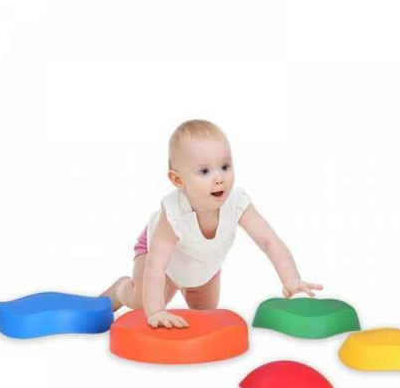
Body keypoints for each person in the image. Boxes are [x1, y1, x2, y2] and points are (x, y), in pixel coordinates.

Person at [102, 119, 323, 329]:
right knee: (141, 301)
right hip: (159, 261)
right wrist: (157, 311)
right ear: (178, 180)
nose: (219, 178)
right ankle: (120, 289)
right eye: (205, 171)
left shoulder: (237, 203)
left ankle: (187, 288)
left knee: (205, 312)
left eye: (225, 167)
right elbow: (156, 266)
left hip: (203, 263)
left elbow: (269, 241)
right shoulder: (173, 214)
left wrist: (291, 278)